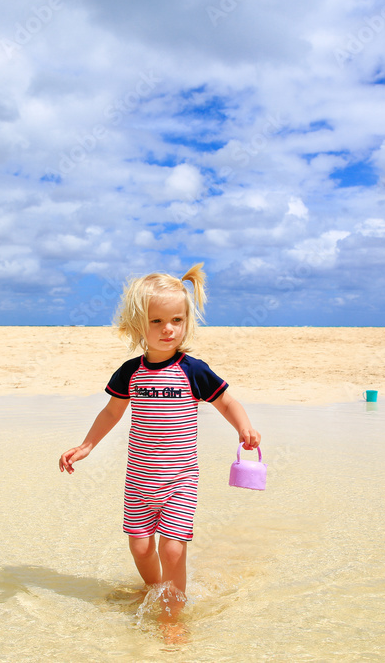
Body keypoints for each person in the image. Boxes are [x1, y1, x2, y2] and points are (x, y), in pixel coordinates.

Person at [58, 263, 261, 624]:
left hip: (180, 480)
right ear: (139, 325)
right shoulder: (130, 372)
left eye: (177, 320)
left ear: (186, 322)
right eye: (157, 322)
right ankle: (156, 589)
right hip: (139, 480)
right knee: (139, 547)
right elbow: (111, 413)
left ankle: (173, 612)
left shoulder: (193, 370)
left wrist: (243, 428)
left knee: (171, 548)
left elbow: (227, 401)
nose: (169, 329)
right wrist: (87, 446)